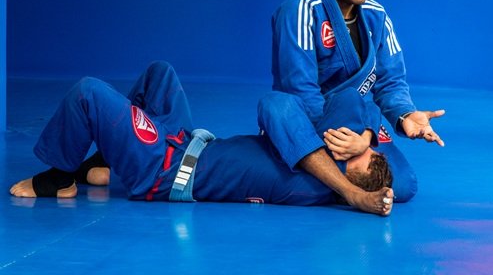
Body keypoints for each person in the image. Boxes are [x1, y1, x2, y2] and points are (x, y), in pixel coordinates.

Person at [9, 61, 394, 215]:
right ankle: (109, 158)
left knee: (88, 92)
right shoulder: (314, 158)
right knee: (161, 74)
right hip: (184, 141)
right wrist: (365, 140)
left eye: (348, 156)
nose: (342, 146)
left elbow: (344, 98)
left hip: (162, 169)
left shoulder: (314, 182)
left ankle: (59, 178)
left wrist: (357, 195)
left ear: (340, 176)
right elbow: (352, 101)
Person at [259, 0, 445, 203]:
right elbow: (300, 89)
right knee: (280, 106)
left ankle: (312, 173)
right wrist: (346, 140)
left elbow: (390, 82)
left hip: (357, 120)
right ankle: (334, 178)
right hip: (311, 123)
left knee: (403, 185)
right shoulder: (301, 9)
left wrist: (401, 116)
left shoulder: (377, 14)